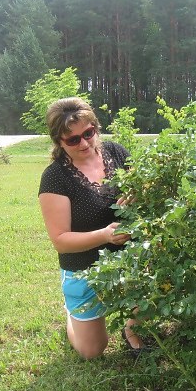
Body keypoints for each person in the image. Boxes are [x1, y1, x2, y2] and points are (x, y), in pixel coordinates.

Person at [38, 96, 144, 359]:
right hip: (85, 267)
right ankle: (71, 316)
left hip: (131, 258)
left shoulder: (117, 152)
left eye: (88, 133)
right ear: (59, 142)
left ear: (96, 127)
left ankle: (132, 330)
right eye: (73, 140)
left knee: (156, 277)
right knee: (92, 351)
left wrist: (138, 193)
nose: (84, 143)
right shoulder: (55, 177)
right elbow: (60, 240)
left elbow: (145, 186)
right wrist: (105, 235)